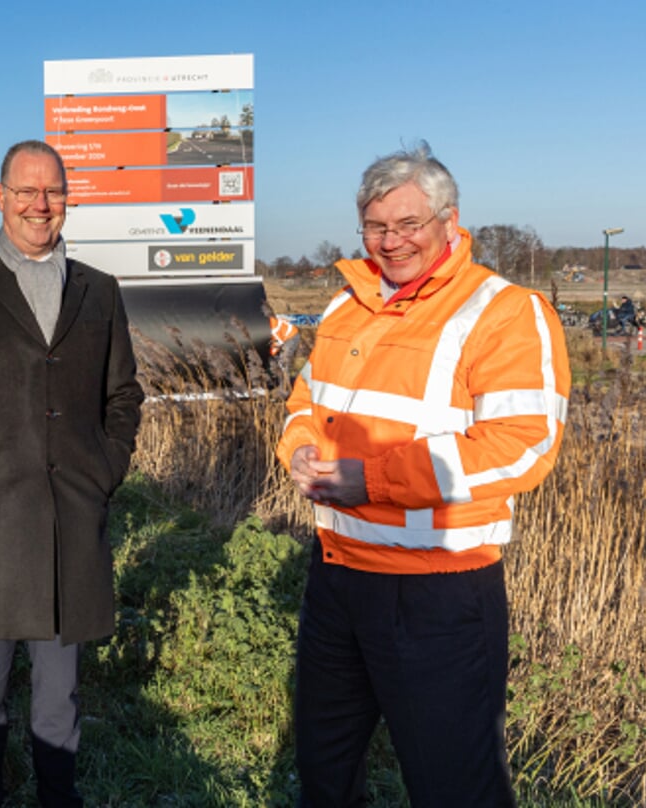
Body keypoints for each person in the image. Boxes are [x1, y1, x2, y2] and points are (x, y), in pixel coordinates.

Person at [277, 142, 569, 807]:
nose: (391, 240)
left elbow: (523, 444)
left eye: (408, 224)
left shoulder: (502, 311)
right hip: (335, 577)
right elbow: (304, 404)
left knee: (452, 785)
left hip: (437, 593)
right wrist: (295, 449)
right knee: (323, 772)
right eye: (376, 226)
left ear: (448, 219)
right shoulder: (345, 306)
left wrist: (371, 481)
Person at [0, 139, 144, 807]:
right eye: (27, 191)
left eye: (54, 191)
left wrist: (104, 470)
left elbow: (123, 396)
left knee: (58, 704)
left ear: (67, 198)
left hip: (71, 528)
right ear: (1, 197)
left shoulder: (99, 290)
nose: (40, 205)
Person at [263, 300, 299, 387]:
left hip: (291, 337)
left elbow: (277, 343)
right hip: (285, 335)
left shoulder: (274, 330)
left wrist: (270, 354)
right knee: (276, 361)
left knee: (283, 362)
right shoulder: (268, 324)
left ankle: (284, 386)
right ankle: (277, 380)